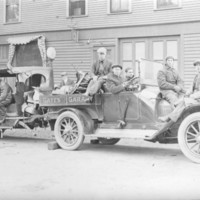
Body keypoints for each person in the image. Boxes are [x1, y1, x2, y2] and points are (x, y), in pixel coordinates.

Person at [157, 56, 185, 122]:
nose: (170, 62)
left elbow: (180, 81)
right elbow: (162, 84)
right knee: (175, 101)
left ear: (173, 62)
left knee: (187, 96)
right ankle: (173, 121)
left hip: (176, 89)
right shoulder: (161, 71)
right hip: (167, 90)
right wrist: (174, 87)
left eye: (171, 60)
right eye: (169, 60)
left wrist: (179, 87)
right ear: (166, 62)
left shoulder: (175, 71)